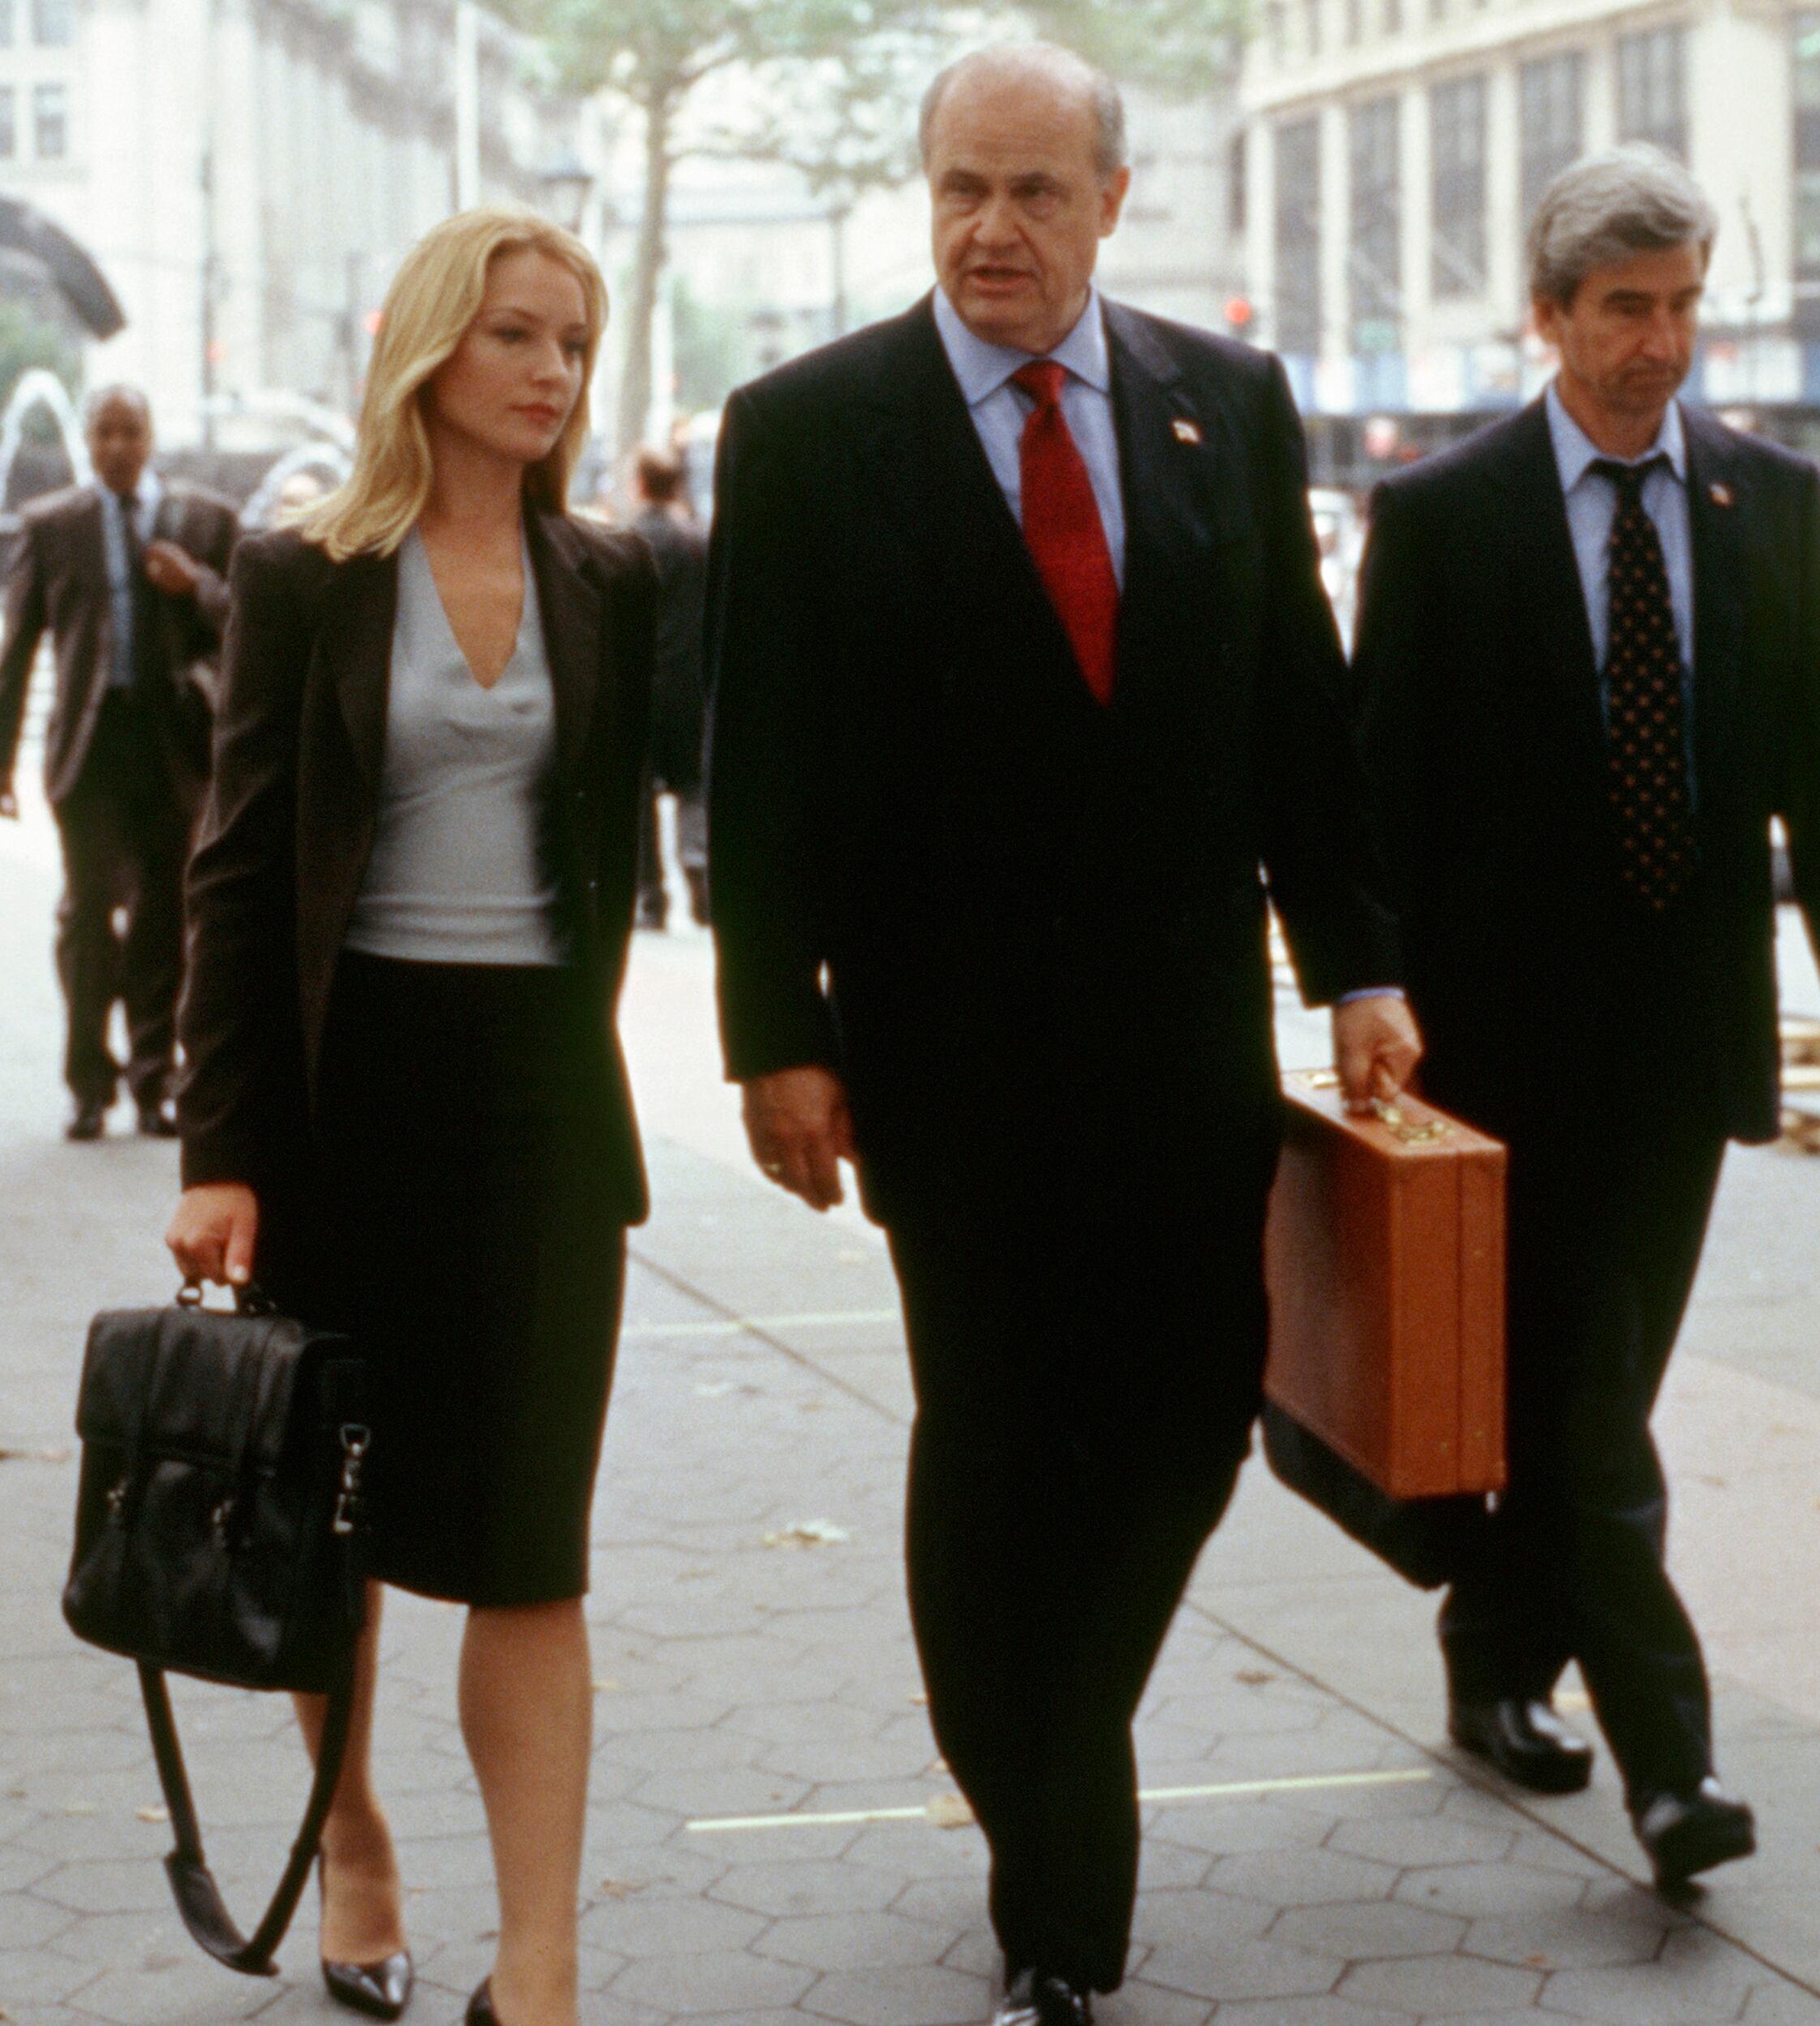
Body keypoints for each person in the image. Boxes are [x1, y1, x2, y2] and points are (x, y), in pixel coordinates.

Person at [704, 46, 1418, 2026]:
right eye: (959, 188)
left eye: (1032, 190)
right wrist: (772, 1028)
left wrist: (1359, 964)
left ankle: (1046, 1732)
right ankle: (1061, 1890)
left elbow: (1295, 706)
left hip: (1185, 1043)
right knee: (1001, 1437)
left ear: (1112, 198)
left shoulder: (1225, 401)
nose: (990, 229)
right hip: (943, 1060)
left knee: (1193, 1402)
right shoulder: (807, 428)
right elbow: (756, 762)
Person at [1352, 146, 1820, 1890]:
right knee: (1586, 1413)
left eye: (1682, 306)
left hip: (1682, 1043)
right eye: (1623, 309)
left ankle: (1494, 1659)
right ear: (1549, 314)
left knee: (1591, 1387)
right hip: (1494, 1048)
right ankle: (1676, 1770)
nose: (1659, 342)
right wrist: (1366, 985)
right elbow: (1378, 782)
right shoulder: (1444, 514)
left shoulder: (1771, 498)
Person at [165, 208, 654, 2026]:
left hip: (541, 1106)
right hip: (343, 1098)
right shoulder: (305, 572)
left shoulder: (608, 574)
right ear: (433, 349)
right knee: (336, 1529)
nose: (551, 371)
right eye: (517, 334)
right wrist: (221, 1151)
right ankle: (354, 1839)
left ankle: (543, 1968)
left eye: (574, 342)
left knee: (530, 1550)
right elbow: (235, 873)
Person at [0, 386, 241, 1140]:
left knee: (165, 915)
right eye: (104, 432)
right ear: (88, 440)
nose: (117, 446)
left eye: (131, 431)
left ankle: (155, 1080)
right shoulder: (51, 525)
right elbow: (17, 645)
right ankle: (88, 1083)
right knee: (87, 915)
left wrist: (195, 584)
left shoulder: (207, 520)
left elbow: (249, 623)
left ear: (152, 436)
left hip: (173, 746)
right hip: (89, 749)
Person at [626, 445, 710, 928]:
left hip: (642, 683)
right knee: (693, 784)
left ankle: (651, 897)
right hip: (690, 683)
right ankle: (699, 871)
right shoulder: (698, 539)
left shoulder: (628, 540)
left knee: (639, 793)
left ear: (640, 484)